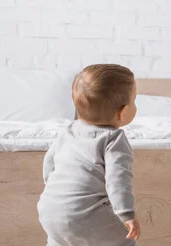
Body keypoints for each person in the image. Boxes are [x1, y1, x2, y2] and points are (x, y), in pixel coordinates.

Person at [37, 64, 141, 246]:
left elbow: (49, 163)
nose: (135, 105)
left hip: (49, 210)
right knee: (124, 241)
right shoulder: (113, 139)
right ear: (123, 112)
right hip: (83, 215)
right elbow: (118, 181)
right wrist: (126, 214)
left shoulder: (67, 131)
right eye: (134, 100)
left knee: (60, 242)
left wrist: (57, 191)